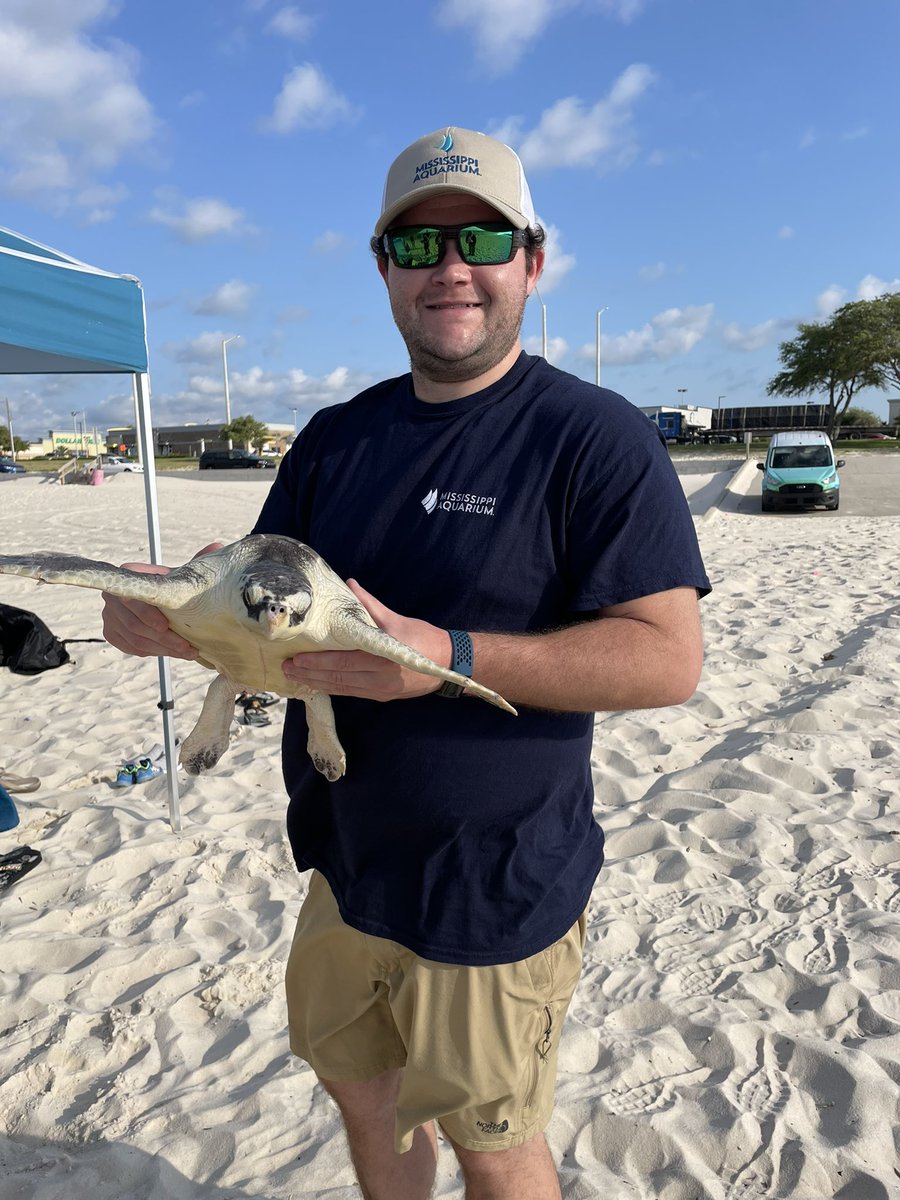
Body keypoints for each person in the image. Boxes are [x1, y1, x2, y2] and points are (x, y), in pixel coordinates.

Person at [102, 126, 710, 1200]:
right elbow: (258, 599)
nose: (451, 269)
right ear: (383, 266)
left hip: (493, 890)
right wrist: (160, 618)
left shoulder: (594, 438)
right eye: (418, 246)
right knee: (362, 1098)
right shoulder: (335, 439)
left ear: (532, 258)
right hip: (343, 867)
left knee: (492, 1143)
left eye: (481, 237)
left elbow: (667, 661)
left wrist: (448, 656)